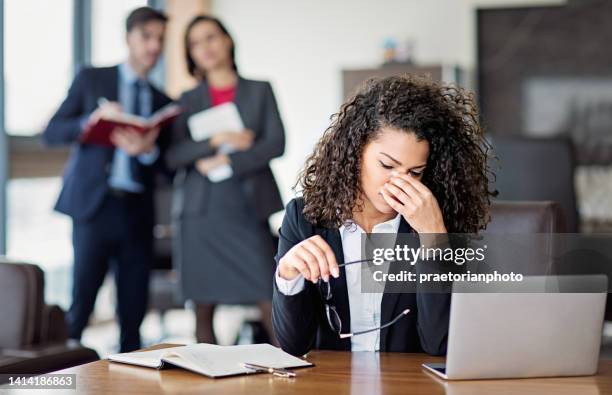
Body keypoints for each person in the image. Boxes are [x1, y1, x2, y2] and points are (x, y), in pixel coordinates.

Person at [272, 75, 496, 356]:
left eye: (415, 173)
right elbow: (293, 345)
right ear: (355, 152)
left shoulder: (436, 220)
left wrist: (433, 240)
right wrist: (288, 274)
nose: (399, 183)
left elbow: (439, 344)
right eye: (387, 165)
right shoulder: (304, 217)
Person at [42, 7, 172, 352]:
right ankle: (63, 375)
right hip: (94, 208)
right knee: (81, 302)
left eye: (160, 39)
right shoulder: (92, 79)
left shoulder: (162, 101)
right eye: (147, 36)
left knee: (133, 311)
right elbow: (52, 132)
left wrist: (147, 151)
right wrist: (91, 121)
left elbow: (170, 168)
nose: (154, 46)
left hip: (136, 213)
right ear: (128, 37)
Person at [165, 15, 285, 344]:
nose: (205, 47)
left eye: (211, 37)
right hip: (200, 212)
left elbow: (276, 143)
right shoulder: (186, 100)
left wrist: (229, 160)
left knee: (269, 294)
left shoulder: (260, 90)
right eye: (195, 43)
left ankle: (290, 373)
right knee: (203, 308)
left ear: (227, 40)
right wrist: (215, 141)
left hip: (246, 207)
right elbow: (173, 155)